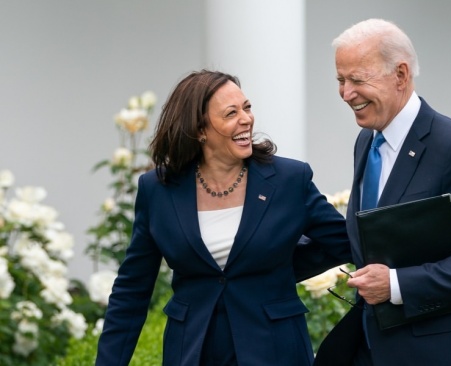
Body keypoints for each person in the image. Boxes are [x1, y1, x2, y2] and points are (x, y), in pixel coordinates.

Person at [95, 70, 352, 366]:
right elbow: (132, 289)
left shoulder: (289, 179)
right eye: (231, 113)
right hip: (192, 351)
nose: (246, 119)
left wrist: (279, 269)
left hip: (275, 348)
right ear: (200, 129)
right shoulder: (157, 190)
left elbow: (344, 241)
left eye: (247, 107)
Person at [315, 19, 451, 365]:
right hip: (374, 348)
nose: (346, 93)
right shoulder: (365, 142)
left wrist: (398, 284)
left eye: (357, 79)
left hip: (442, 353)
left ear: (400, 75)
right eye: (341, 80)